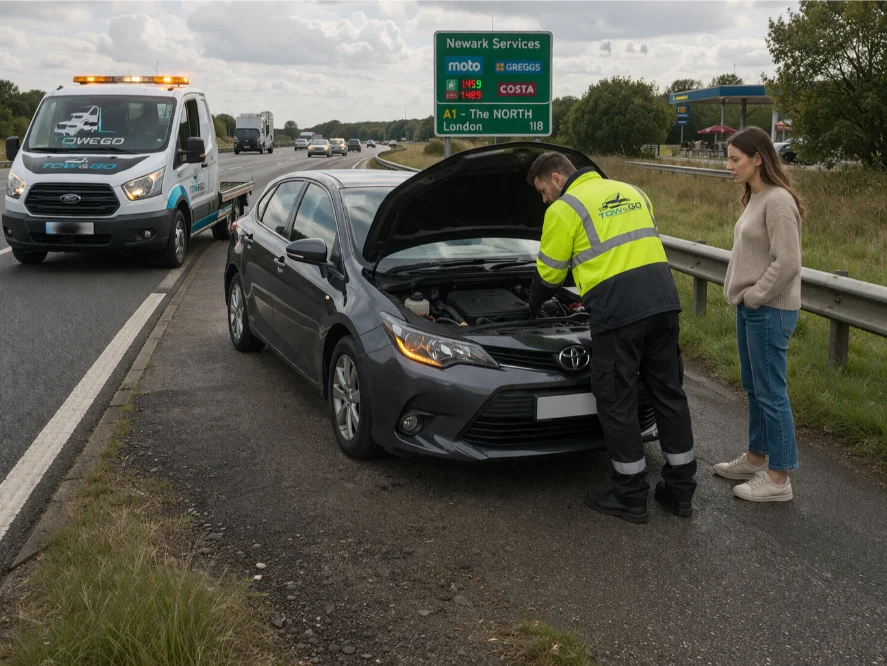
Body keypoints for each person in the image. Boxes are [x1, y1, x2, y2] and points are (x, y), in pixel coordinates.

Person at [527, 151, 697, 523]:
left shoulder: (564, 208)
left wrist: (532, 304)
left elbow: (551, 275)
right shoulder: (632, 191)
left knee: (616, 400)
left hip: (619, 314)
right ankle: (680, 491)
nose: (544, 200)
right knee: (668, 393)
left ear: (557, 178)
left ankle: (630, 495)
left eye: (543, 191)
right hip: (664, 303)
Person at [715, 127, 803, 502]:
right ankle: (755, 459)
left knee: (771, 394)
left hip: (769, 309)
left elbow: (788, 263)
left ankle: (779, 479)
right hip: (751, 308)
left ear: (758, 159)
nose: (729, 165)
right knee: (755, 389)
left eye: (735, 159)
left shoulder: (779, 201)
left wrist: (755, 296)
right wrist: (745, 299)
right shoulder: (756, 196)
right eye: (729, 158)